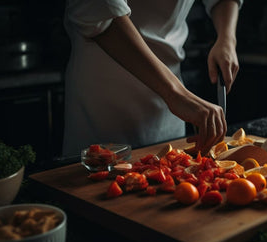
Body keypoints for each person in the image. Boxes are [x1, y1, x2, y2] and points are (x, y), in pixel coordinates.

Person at [62, 0, 242, 157]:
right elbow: (97, 8)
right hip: (104, 102)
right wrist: (176, 93)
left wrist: (227, 39)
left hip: (169, 113)